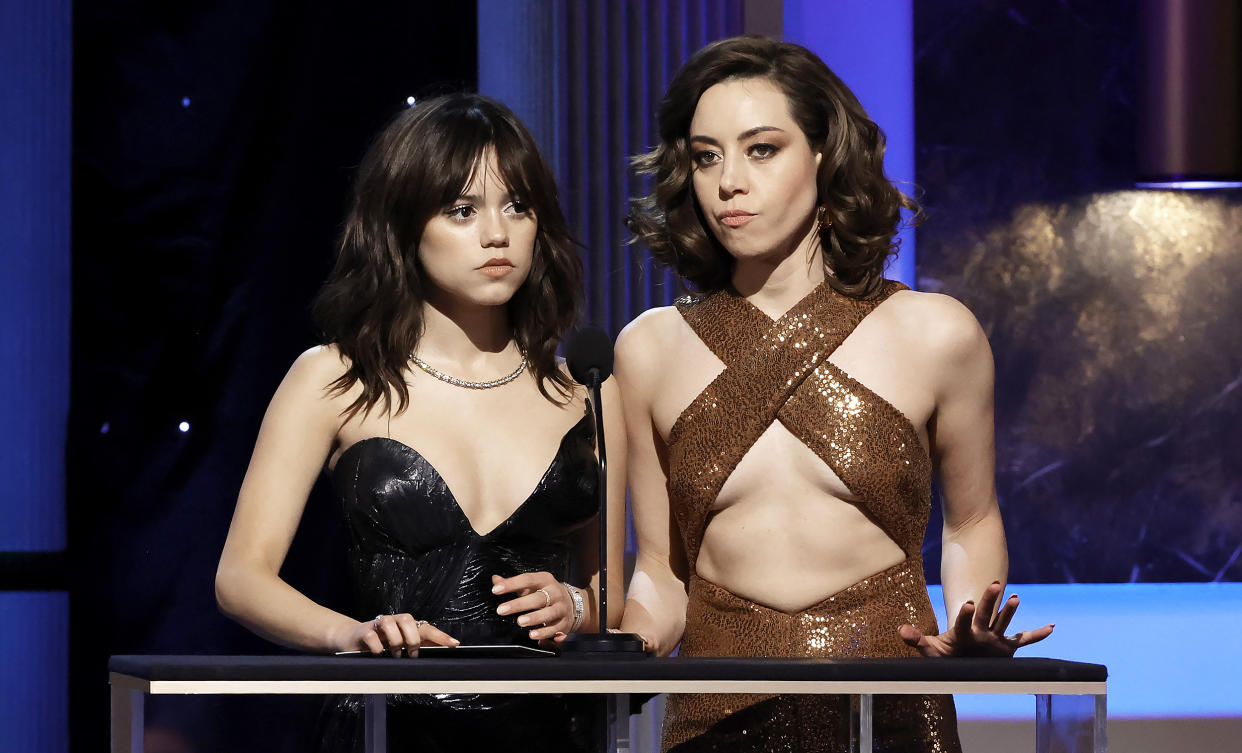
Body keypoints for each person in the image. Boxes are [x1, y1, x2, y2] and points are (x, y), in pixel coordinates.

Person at [616, 36, 1053, 753]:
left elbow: (971, 525)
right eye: (705, 155)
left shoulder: (937, 334)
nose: (729, 181)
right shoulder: (649, 349)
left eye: (761, 149)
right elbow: (660, 576)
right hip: (716, 722)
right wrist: (611, 650)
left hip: (891, 713)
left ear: (824, 155)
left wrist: (969, 624)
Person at [214, 93, 625, 753]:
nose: (498, 234)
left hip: (552, 730)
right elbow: (241, 575)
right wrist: (347, 633)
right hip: (389, 727)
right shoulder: (333, 378)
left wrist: (577, 604)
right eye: (463, 210)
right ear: (403, 224)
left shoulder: (586, 391)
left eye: (517, 206)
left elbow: (610, 585)